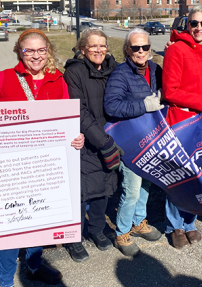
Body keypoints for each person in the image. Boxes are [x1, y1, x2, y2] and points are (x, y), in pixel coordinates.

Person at [0, 29, 84, 287]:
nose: (36, 56)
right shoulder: (4, 79)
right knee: (11, 227)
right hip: (14, 165)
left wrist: (75, 138)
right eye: (29, 50)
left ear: (47, 51)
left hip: (47, 164)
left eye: (41, 50)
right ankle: (4, 281)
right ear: (19, 51)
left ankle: (34, 266)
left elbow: (65, 121)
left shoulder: (57, 79)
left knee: (40, 218)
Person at [63, 28, 121, 262]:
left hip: (110, 137)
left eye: (102, 45)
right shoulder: (74, 72)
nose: (98, 50)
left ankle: (96, 230)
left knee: (104, 188)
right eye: (93, 46)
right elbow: (79, 110)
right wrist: (103, 141)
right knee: (83, 191)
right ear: (83, 49)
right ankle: (74, 238)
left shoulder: (113, 70)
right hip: (88, 140)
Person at [104, 28, 163, 257]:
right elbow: (111, 106)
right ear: (127, 49)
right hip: (130, 143)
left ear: (150, 48)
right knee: (132, 190)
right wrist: (143, 106)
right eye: (135, 47)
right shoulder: (121, 74)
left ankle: (139, 222)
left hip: (150, 139)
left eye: (145, 47)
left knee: (146, 184)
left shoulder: (155, 69)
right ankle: (122, 232)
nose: (141, 52)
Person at [162, 4, 202, 249]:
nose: (199, 28)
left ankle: (190, 221)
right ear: (187, 24)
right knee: (179, 177)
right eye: (194, 23)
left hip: (201, 122)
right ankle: (175, 225)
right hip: (182, 122)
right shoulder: (177, 50)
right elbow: (170, 92)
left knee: (196, 176)